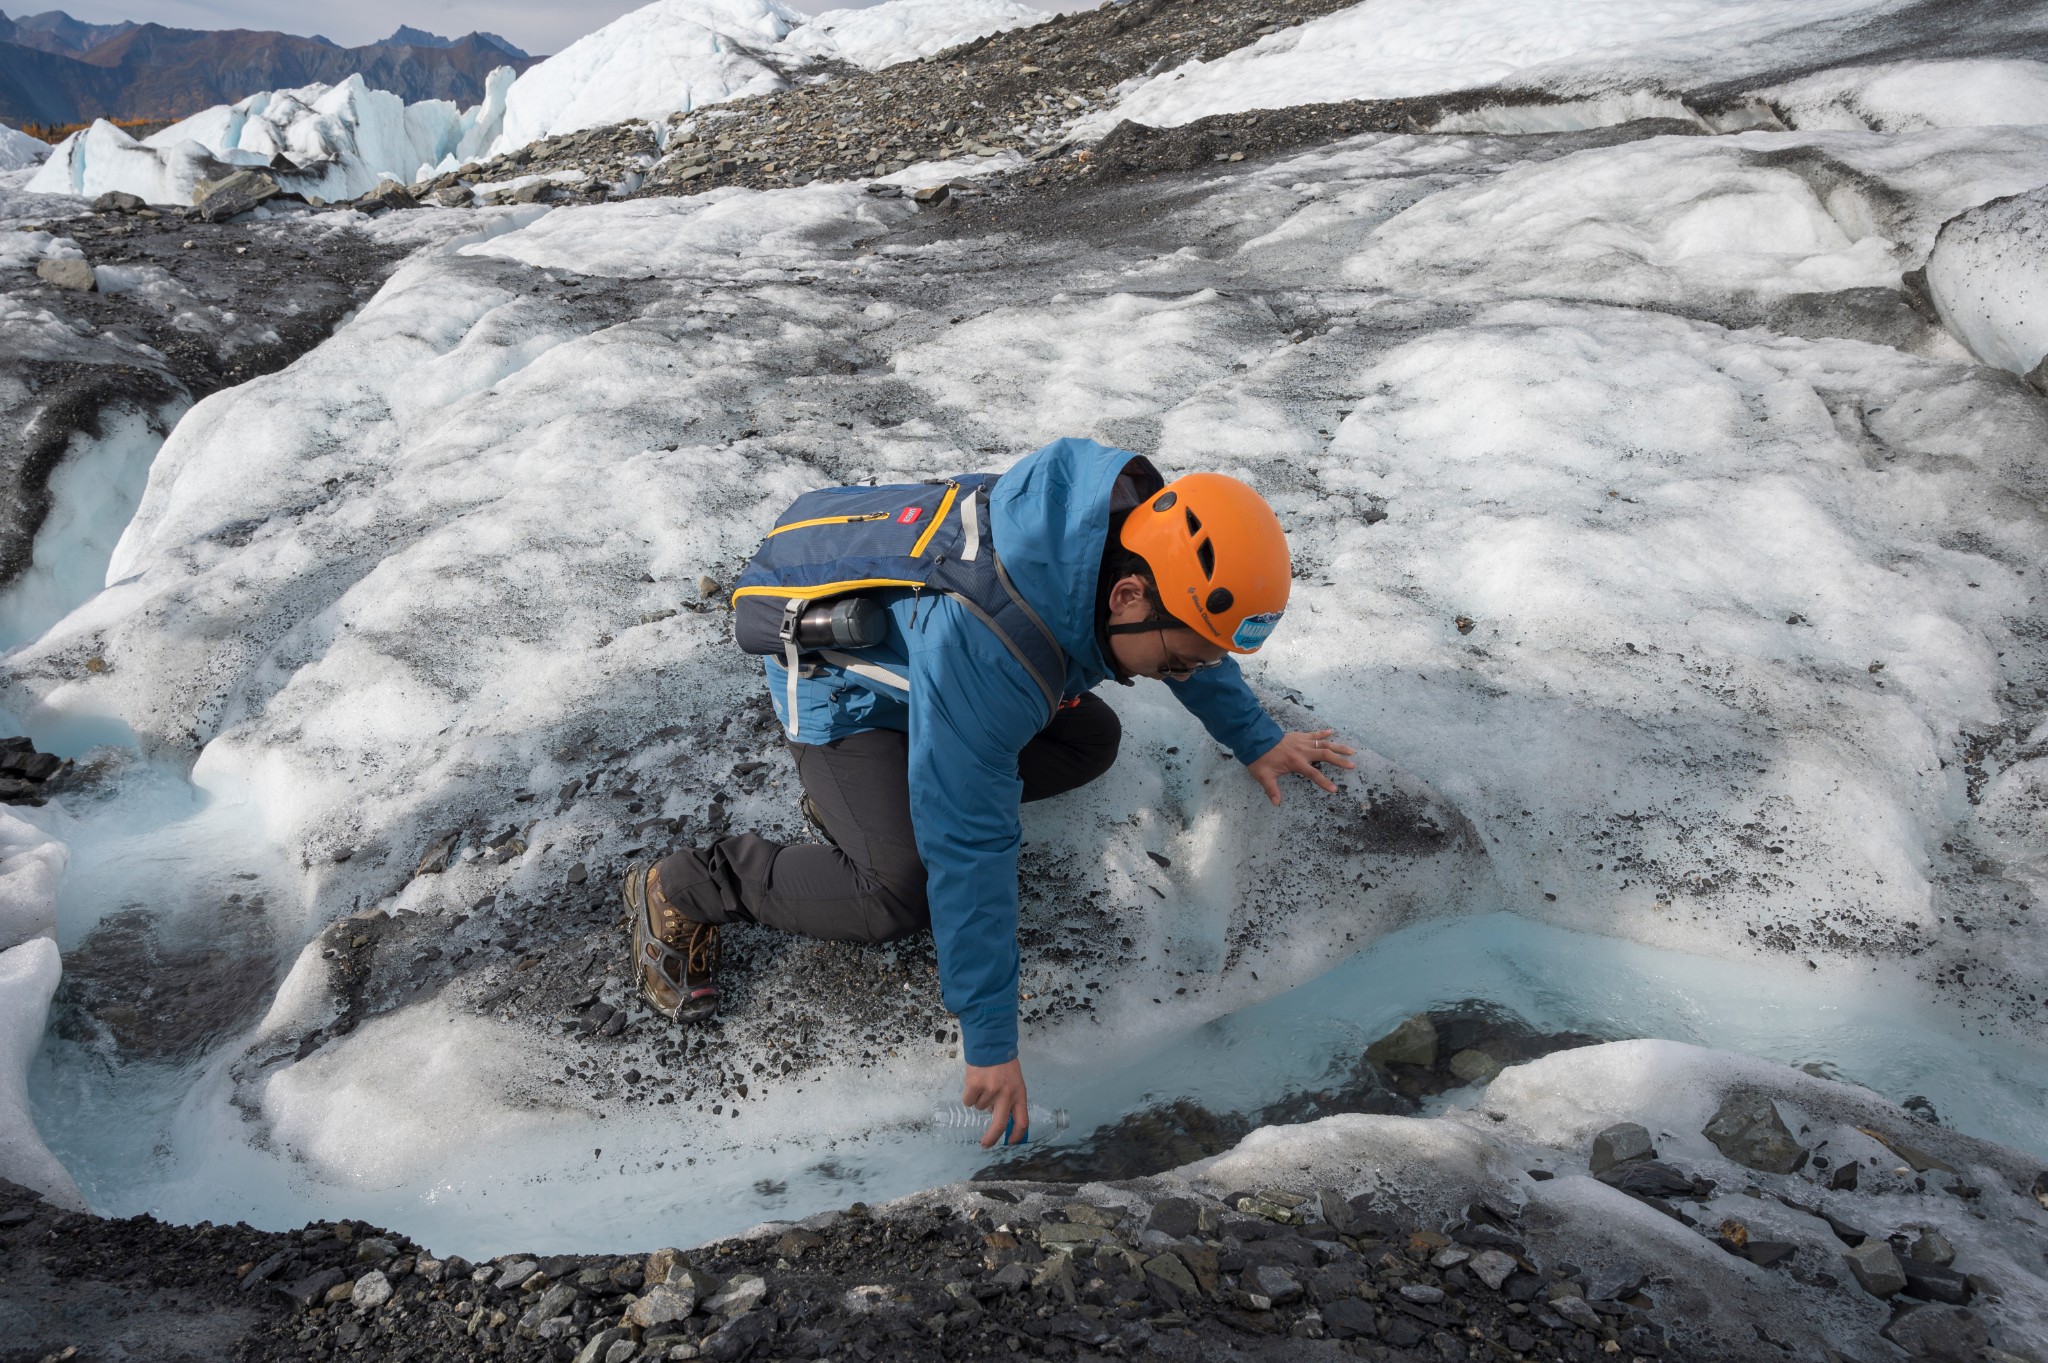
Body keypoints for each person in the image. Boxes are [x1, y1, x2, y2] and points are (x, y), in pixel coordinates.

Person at [626, 437, 1356, 1147]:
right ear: (1130, 595)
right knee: (897, 891)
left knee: (1090, 740)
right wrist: (991, 1042)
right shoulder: (993, 651)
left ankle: (878, 799)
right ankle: (688, 884)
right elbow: (969, 840)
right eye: (1176, 663)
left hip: (924, 658)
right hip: (834, 680)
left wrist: (1258, 737)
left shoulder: (1111, 535)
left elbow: (1195, 633)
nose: (1181, 675)